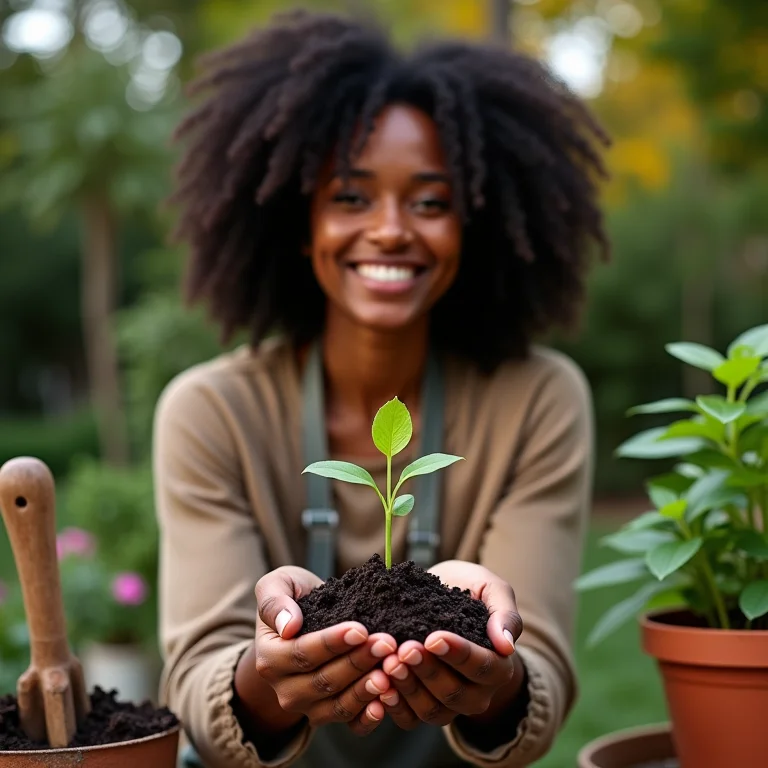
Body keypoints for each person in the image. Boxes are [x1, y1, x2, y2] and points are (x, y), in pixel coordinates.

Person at [153, 9, 609, 768]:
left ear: (475, 225)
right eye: (351, 197)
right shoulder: (211, 413)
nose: (393, 229)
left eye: (430, 202)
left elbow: (542, 677)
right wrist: (269, 670)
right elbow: (198, 680)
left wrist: (491, 669)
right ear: (301, 224)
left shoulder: (537, 399)